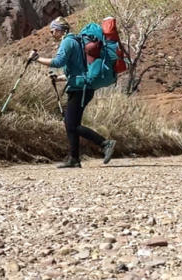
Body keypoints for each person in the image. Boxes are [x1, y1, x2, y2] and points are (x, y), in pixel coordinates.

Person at [29, 17, 117, 168]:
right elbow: (79, 70)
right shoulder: (76, 41)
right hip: (81, 87)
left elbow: (58, 62)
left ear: (59, 30)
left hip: (80, 89)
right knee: (72, 124)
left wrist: (36, 58)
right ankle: (74, 159)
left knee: (71, 125)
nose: (52, 34)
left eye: (52, 31)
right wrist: (59, 78)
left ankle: (105, 143)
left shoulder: (68, 42)